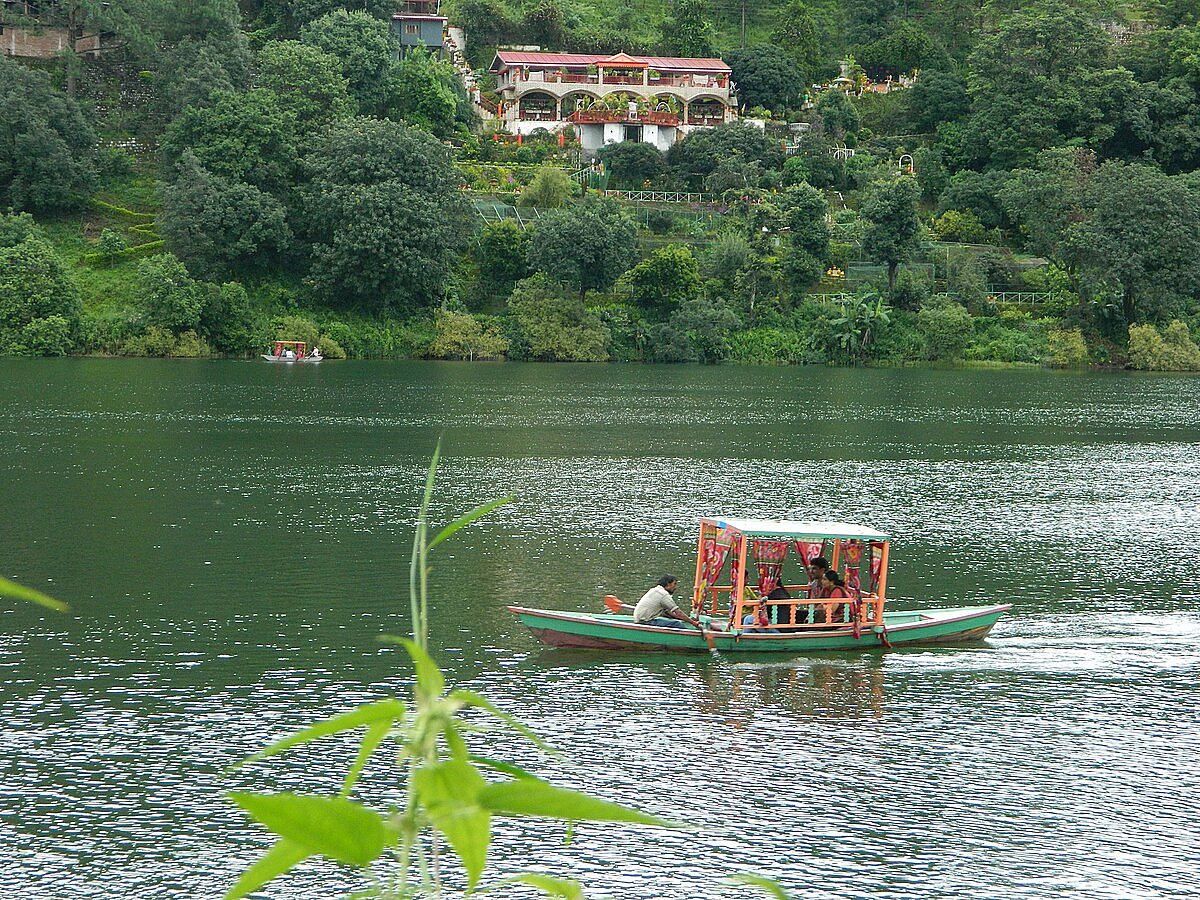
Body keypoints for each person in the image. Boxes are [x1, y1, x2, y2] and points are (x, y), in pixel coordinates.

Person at [632, 575, 701, 629]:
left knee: (675, 621)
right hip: (645, 622)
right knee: (677, 624)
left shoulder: (654, 590)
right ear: (668, 584)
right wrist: (694, 623)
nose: (675, 587)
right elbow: (678, 612)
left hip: (639, 620)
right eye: (674, 584)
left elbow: (667, 613)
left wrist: (687, 619)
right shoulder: (663, 594)